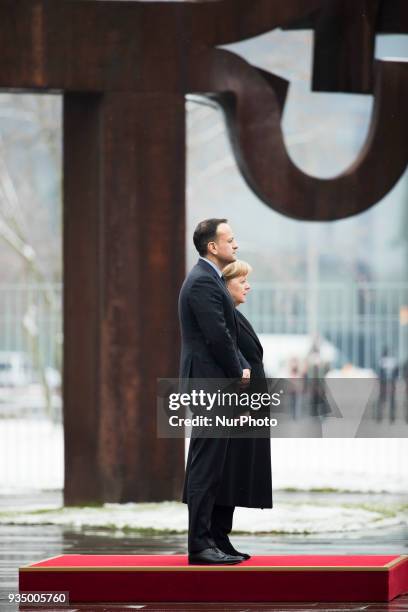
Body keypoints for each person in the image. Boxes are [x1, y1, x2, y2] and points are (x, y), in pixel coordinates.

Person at [179, 218, 250, 565]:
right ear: (212, 246)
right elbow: (217, 335)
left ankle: (212, 541)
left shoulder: (207, 280)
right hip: (210, 384)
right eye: (230, 240)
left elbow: (226, 334)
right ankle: (200, 546)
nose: (235, 245)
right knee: (205, 467)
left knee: (213, 466)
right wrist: (238, 371)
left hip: (214, 382)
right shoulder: (202, 282)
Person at [211, 260, 272, 556]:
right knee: (228, 472)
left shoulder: (235, 315)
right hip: (237, 407)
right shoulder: (225, 318)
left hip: (248, 406)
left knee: (235, 473)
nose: (248, 286)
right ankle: (217, 537)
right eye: (242, 281)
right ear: (225, 286)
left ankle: (222, 537)